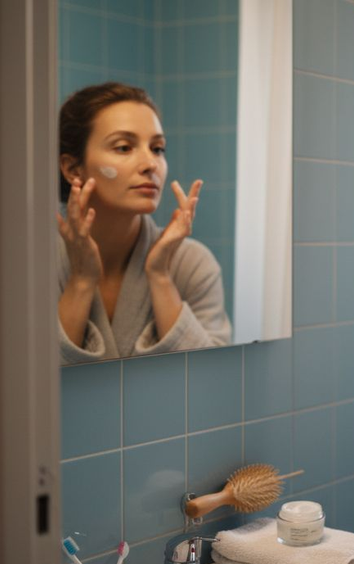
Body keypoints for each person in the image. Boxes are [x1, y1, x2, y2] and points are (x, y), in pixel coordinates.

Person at [57, 82, 231, 364]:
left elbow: (212, 376)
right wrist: (80, 280)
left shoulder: (192, 264)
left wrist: (160, 276)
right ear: (72, 168)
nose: (151, 164)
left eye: (157, 148)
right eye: (124, 147)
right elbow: (26, 378)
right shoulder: (32, 268)